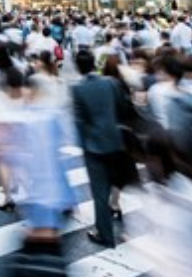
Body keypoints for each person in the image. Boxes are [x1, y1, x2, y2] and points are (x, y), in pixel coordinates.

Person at [71, 49, 134, 247]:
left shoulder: (77, 89)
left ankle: (105, 234)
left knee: (99, 192)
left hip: (94, 145)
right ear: (94, 64)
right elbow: (123, 107)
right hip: (115, 140)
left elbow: (79, 121)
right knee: (116, 183)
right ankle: (118, 215)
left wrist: (83, 144)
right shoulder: (111, 82)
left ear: (78, 67)